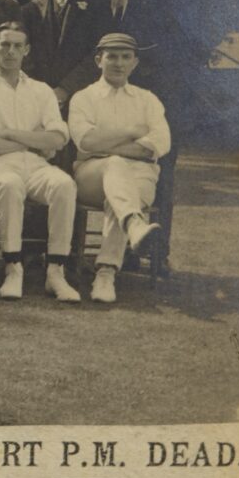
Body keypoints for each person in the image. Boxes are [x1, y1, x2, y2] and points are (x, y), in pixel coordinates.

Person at [0, 21, 82, 302]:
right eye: (5, 44)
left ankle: (55, 271)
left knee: (65, 185)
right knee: (10, 184)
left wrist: (10, 134)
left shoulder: (41, 91)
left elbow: (58, 138)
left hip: (37, 166)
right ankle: (12, 266)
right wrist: (34, 140)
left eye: (18, 46)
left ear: (26, 51)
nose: (10, 51)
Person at [66, 32, 173, 306]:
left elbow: (160, 143)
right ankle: (134, 227)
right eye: (111, 56)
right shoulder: (83, 98)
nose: (118, 63)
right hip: (92, 174)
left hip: (141, 177)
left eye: (126, 57)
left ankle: (106, 272)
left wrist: (106, 143)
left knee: (120, 196)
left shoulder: (148, 99)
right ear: (98, 60)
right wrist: (133, 133)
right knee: (115, 167)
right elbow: (86, 141)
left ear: (135, 63)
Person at [20, 0, 101, 105]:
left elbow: (99, 53)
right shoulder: (30, 10)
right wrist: (42, 92)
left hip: (84, 97)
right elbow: (24, 56)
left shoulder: (96, 5)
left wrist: (66, 89)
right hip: (39, 100)